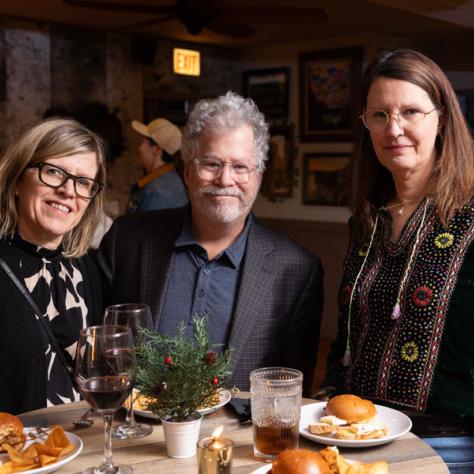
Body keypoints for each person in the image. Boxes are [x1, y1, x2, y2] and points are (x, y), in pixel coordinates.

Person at [96, 92, 324, 396]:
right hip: (135, 434)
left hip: (237, 440)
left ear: (258, 176)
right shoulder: (126, 240)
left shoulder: (297, 270)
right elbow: (96, 356)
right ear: (188, 171)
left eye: (240, 167)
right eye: (211, 164)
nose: (225, 179)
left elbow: (290, 394)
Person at [321, 49, 474, 472]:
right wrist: (322, 407)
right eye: (380, 115)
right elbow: (347, 338)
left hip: (450, 443)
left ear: (441, 117)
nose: (395, 129)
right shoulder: (366, 220)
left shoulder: (472, 214)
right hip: (357, 436)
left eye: (410, 111)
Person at [0, 117, 106, 414]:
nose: (68, 191)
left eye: (83, 182)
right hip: (17, 456)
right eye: (53, 172)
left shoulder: (87, 269)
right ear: (19, 179)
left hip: (84, 450)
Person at [127, 117, 188, 213]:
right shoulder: (159, 184)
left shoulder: (159, 193)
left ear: (157, 150)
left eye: (142, 142)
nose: (138, 147)